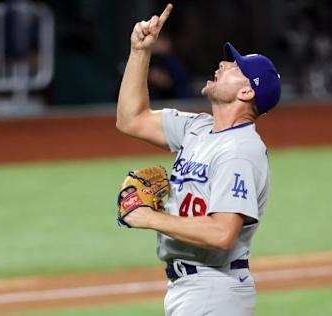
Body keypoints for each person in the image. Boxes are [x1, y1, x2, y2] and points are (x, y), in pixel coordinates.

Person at [116, 4, 281, 316]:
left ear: (246, 92)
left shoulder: (240, 151)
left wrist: (147, 217)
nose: (222, 64)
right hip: (191, 289)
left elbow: (222, 233)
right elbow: (131, 119)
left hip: (214, 289)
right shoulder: (198, 128)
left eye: (234, 68)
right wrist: (140, 52)